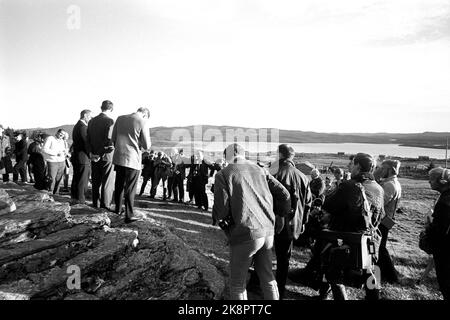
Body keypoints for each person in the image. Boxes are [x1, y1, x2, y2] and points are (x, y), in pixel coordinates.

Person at [212, 143, 291, 300]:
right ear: (243, 154)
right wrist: (280, 216)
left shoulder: (223, 174)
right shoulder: (260, 169)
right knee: (268, 278)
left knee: (237, 284)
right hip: (267, 231)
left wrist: (217, 218)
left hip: (246, 232)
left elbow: (221, 209)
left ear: (228, 156)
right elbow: (284, 193)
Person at [320, 152, 384, 300]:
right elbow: (381, 214)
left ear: (358, 166)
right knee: (371, 270)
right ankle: (374, 297)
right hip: (370, 236)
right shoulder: (378, 187)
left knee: (334, 273)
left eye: (351, 163)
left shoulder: (350, 185)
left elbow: (329, 204)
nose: (349, 166)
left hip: (347, 236)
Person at [271, 144, 312, 299]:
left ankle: (267, 287)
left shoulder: (274, 173)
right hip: (294, 224)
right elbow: (308, 203)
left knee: (265, 255)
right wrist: (303, 224)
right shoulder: (302, 177)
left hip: (274, 222)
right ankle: (279, 291)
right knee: (284, 260)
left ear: (280, 155)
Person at [112, 107, 151, 223]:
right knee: (130, 187)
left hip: (119, 157)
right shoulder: (142, 121)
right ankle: (129, 215)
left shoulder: (120, 118)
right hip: (132, 159)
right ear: (145, 115)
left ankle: (117, 210)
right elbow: (147, 145)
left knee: (119, 185)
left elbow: (113, 138)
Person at [375, 159, 402, 284]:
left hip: (384, 219)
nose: (381, 170)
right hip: (387, 218)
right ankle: (387, 275)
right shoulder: (393, 182)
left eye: (383, 168)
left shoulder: (389, 185)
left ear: (390, 169)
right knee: (380, 247)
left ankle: (391, 276)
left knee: (380, 248)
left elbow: (380, 203)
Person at [425, 167, 450, 300]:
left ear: (442, 181)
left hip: (444, 250)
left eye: (431, 179)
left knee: (445, 282)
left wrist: (429, 224)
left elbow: (439, 231)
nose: (429, 182)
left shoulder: (445, 202)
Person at [87, 100, 115, 210]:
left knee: (95, 180)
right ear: (111, 109)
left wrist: (91, 153)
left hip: (93, 155)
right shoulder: (110, 121)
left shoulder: (91, 121)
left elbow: (87, 139)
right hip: (105, 156)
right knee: (107, 181)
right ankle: (105, 205)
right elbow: (109, 140)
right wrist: (99, 154)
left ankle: (95, 203)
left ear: (101, 107)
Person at [71, 109, 92, 204]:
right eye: (90, 116)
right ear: (85, 115)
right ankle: (80, 201)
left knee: (76, 178)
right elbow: (86, 143)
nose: (90, 118)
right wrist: (91, 154)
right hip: (83, 158)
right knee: (82, 180)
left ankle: (74, 198)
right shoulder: (83, 127)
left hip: (77, 156)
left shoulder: (77, 126)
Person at [42, 129, 69, 194]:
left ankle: (56, 193)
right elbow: (44, 149)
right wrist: (56, 153)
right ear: (57, 132)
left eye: (63, 134)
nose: (61, 135)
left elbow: (64, 150)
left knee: (58, 179)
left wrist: (66, 152)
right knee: (51, 178)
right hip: (52, 161)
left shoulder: (63, 141)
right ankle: (50, 192)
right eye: (60, 133)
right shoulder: (50, 138)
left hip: (62, 161)